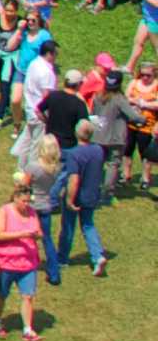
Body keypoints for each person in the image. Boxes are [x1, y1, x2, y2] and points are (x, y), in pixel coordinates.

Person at [0, 172, 45, 341]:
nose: (26, 204)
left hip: (27, 263)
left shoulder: (32, 213)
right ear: (15, 198)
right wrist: (21, 234)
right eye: (24, 201)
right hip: (7, 262)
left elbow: (39, 232)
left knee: (28, 296)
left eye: (29, 201)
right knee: (1, 293)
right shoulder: (4, 211)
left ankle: (28, 329)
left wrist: (36, 236)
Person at [60, 118, 109, 278]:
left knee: (68, 226)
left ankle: (63, 258)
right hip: (92, 194)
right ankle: (97, 256)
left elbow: (74, 179)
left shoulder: (74, 154)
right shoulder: (98, 150)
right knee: (88, 225)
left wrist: (69, 199)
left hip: (78, 195)